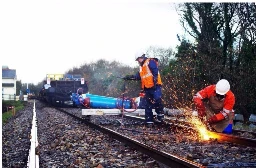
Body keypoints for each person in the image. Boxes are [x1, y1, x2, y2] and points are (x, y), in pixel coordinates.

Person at [123, 51, 164, 126]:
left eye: (138, 59)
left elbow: (155, 71)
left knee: (157, 99)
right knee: (147, 105)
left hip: (155, 86)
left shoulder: (150, 62)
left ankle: (160, 114)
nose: (138, 61)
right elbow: (138, 77)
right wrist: (129, 77)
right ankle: (149, 121)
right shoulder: (141, 67)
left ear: (142, 57)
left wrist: (155, 81)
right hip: (147, 88)